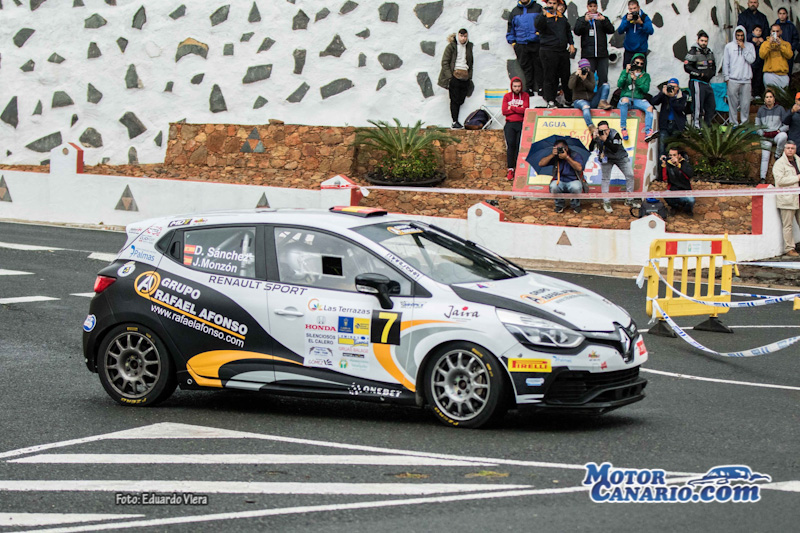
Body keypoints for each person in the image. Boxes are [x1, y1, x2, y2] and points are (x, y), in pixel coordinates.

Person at [590, 121, 639, 213]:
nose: (604, 132)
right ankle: (606, 201)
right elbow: (590, 148)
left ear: (609, 129)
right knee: (605, 179)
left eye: (605, 130)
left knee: (630, 175)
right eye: (601, 130)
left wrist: (605, 140)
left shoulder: (615, 134)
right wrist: (594, 139)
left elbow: (614, 149)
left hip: (620, 157)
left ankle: (629, 199)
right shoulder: (598, 135)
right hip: (606, 158)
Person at [535, 0, 575, 108]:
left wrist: (571, 44)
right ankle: (550, 100)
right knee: (550, 77)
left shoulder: (561, 17)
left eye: (554, 3)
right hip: (548, 50)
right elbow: (538, 26)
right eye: (550, 3)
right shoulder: (543, 16)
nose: (552, 5)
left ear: (557, 5)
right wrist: (543, 15)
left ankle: (569, 100)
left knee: (566, 76)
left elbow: (568, 31)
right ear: (547, 4)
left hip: (562, 51)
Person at [437, 29, 474, 129]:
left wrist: (469, 76)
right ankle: (454, 121)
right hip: (455, 75)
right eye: (461, 36)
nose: (463, 38)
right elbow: (445, 62)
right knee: (454, 99)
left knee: (461, 99)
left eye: (465, 36)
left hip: (465, 76)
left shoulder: (469, 47)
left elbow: (471, 63)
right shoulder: (451, 47)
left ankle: (456, 120)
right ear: (458, 36)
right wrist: (450, 77)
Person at [573, 0, 615, 86]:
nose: (592, 8)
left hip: (602, 54)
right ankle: (589, 94)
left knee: (603, 78)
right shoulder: (581, 19)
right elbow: (577, 31)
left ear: (597, 7)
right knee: (588, 78)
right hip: (588, 54)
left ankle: (602, 94)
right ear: (587, 7)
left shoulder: (602, 18)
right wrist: (585, 21)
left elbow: (611, 30)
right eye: (590, 6)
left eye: (594, 6)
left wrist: (604, 21)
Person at [617, 53, 657, 142]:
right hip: (626, 97)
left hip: (638, 99)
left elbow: (645, 90)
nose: (639, 65)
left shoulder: (645, 76)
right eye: (637, 63)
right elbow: (619, 84)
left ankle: (648, 132)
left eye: (641, 63)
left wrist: (636, 80)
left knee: (650, 107)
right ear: (633, 62)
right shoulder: (625, 72)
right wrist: (626, 73)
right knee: (625, 100)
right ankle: (623, 128)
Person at [507, 0, 543, 96]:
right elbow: (510, 27)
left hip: (536, 42)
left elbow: (543, 23)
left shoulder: (538, 8)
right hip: (521, 43)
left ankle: (541, 88)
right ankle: (529, 88)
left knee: (539, 66)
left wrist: (540, 35)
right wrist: (513, 42)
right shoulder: (514, 11)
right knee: (526, 67)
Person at [770, 139, 800, 256]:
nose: (790, 150)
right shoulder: (779, 163)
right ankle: (789, 248)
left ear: (795, 149)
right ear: (784, 149)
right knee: (788, 225)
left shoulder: (798, 160)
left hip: (798, 197)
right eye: (788, 148)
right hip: (787, 199)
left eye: (792, 148)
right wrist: (797, 178)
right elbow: (780, 180)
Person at [539, 139, 586, 213]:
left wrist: (567, 157)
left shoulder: (575, 155)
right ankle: (560, 205)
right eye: (557, 149)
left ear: (566, 148)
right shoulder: (555, 157)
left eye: (561, 148)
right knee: (553, 186)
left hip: (573, 180)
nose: (559, 150)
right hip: (559, 180)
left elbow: (579, 168)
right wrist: (552, 155)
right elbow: (541, 163)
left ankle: (575, 205)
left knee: (576, 187)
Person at [722, 25, 756, 125]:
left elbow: (751, 60)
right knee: (732, 104)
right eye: (738, 35)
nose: (740, 37)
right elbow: (725, 63)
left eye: (742, 35)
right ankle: (733, 124)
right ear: (735, 35)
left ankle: (744, 124)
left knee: (745, 104)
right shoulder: (729, 46)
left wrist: (744, 48)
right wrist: (726, 78)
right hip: (733, 79)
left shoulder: (750, 46)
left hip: (746, 79)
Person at [684, 30, 716, 128]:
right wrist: (699, 74)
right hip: (697, 82)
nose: (704, 43)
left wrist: (711, 74)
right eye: (702, 41)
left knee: (711, 106)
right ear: (698, 40)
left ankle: (706, 128)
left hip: (707, 83)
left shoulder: (709, 52)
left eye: (705, 41)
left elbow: (713, 66)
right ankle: (697, 128)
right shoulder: (693, 52)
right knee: (698, 106)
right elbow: (687, 67)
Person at [569, 59, 611, 134]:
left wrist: (584, 79)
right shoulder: (574, 75)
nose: (586, 70)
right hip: (579, 100)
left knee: (606, 85)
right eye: (584, 68)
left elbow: (592, 87)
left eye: (588, 68)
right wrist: (577, 76)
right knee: (585, 107)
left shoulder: (591, 75)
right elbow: (570, 86)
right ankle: (591, 126)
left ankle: (602, 102)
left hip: (591, 99)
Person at [756, 89, 788, 182]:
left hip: (776, 135)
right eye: (767, 97)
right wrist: (762, 133)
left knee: (784, 136)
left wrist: (779, 130)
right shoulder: (761, 110)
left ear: (774, 99)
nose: (769, 99)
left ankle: (777, 154)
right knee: (765, 156)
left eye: (771, 97)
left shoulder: (780, 109)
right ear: (764, 99)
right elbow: (757, 125)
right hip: (765, 136)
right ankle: (763, 178)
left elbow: (786, 125)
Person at [502, 77, 530, 181]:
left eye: (518, 86)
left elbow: (526, 110)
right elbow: (504, 111)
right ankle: (510, 169)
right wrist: (519, 109)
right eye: (515, 86)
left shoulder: (525, 96)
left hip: (521, 123)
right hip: (510, 124)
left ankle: (519, 169)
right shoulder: (507, 96)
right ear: (511, 86)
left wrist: (512, 108)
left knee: (519, 146)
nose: (517, 88)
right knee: (511, 145)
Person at [651, 78, 687, 159]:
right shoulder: (664, 95)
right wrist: (661, 93)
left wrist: (673, 97)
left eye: (674, 87)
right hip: (665, 124)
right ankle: (662, 163)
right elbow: (653, 102)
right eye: (670, 86)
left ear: (678, 87)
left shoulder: (682, 96)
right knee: (662, 146)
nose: (672, 88)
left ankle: (673, 163)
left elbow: (679, 108)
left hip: (676, 125)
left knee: (674, 147)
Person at [616, 0, 654, 69]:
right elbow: (620, 31)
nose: (633, 10)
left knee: (640, 73)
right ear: (628, 9)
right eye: (631, 9)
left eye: (634, 8)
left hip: (641, 51)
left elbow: (651, 31)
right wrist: (627, 21)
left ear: (638, 7)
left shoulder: (644, 17)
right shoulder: (626, 17)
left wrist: (641, 23)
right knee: (627, 72)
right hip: (628, 51)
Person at [660, 147, 695, 216]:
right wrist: (664, 166)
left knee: (691, 200)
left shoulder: (685, 164)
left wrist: (678, 165)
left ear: (679, 155)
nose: (672, 157)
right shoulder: (668, 164)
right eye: (670, 155)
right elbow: (664, 178)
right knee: (665, 194)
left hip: (685, 190)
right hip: (673, 190)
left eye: (674, 155)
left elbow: (689, 175)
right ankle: (675, 207)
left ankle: (687, 210)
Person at [760, 24, 792, 89]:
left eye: (777, 31)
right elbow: (762, 55)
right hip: (770, 74)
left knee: (783, 95)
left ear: (781, 32)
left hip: (783, 74)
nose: (775, 33)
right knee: (771, 94)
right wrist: (769, 44)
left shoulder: (786, 44)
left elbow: (789, 55)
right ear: (770, 32)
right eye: (773, 31)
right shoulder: (765, 43)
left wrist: (780, 45)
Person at [775, 7, 799, 75]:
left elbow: (796, 38)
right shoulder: (775, 26)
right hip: (778, 53)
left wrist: (791, 48)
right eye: (780, 13)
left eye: (784, 13)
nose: (782, 15)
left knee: (788, 71)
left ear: (786, 14)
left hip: (788, 53)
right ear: (778, 15)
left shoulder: (791, 26)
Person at [751, 25, 766, 99]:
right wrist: (754, 43)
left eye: (760, 31)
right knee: (752, 79)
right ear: (753, 31)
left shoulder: (763, 40)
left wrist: (762, 43)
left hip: (760, 63)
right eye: (757, 30)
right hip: (752, 63)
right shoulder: (750, 39)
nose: (758, 32)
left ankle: (757, 94)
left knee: (759, 79)